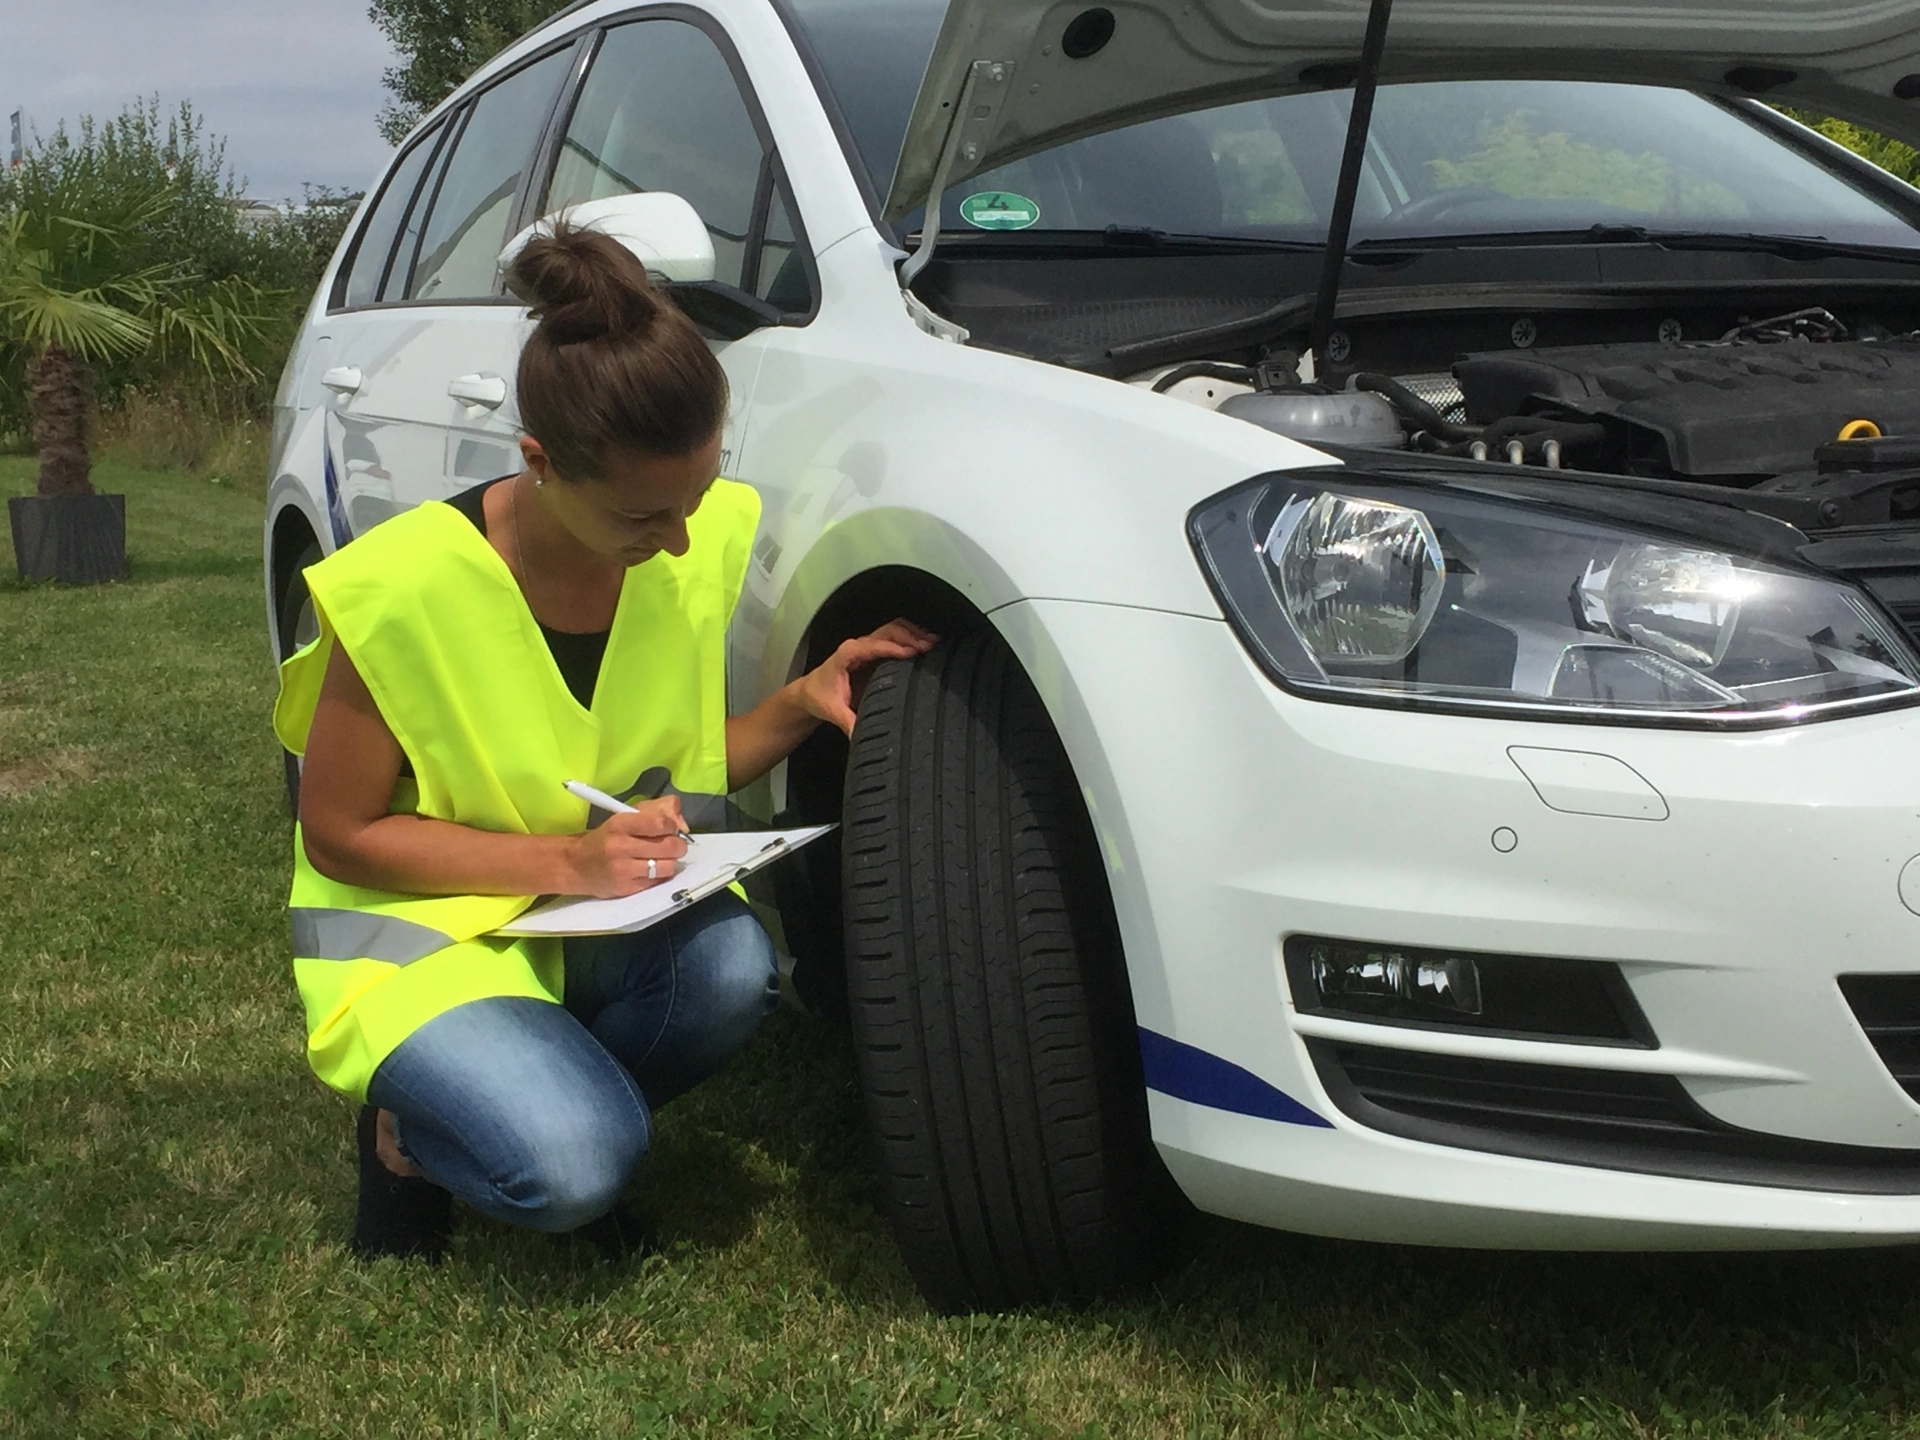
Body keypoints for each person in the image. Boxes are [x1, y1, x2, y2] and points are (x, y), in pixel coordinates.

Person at [271, 222, 936, 1261]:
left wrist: (802, 699)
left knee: (729, 969)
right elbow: (340, 835)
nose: (676, 539)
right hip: (423, 946)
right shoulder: (399, 590)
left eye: (698, 497)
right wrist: (567, 861)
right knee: (577, 1168)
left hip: (569, 921)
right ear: (539, 462)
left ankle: (534, 1097)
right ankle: (412, 1133)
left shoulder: (683, 540)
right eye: (642, 515)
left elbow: (659, 752)